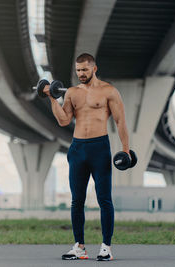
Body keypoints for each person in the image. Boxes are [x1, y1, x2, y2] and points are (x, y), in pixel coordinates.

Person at [43, 53, 130, 261]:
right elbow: (64, 120)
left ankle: (106, 247)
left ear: (94, 69)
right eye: (78, 70)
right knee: (77, 201)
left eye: (84, 70)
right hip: (77, 149)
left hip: (99, 148)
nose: (81, 74)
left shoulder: (109, 91)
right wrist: (52, 98)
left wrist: (126, 150)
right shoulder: (72, 93)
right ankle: (79, 247)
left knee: (104, 200)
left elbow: (120, 122)